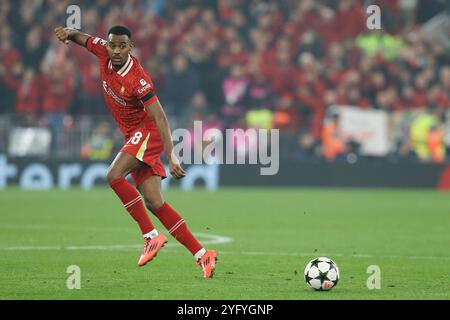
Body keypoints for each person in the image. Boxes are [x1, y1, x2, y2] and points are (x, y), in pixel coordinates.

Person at [54, 25, 217, 278]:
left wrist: (171, 154)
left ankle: (150, 236)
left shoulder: (138, 79)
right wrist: (68, 33)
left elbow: (160, 118)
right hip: (133, 135)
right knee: (154, 202)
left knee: (113, 175)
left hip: (147, 132)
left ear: (130, 47)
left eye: (122, 46)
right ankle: (202, 254)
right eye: (113, 45)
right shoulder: (102, 52)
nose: (116, 50)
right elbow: (83, 38)